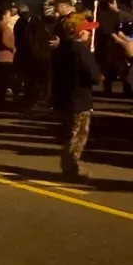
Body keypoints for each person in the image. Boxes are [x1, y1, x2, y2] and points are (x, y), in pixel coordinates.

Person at [52, 13, 102, 180]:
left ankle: (68, 166)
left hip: (63, 98)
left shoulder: (61, 49)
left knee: (68, 134)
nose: (89, 33)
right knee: (78, 136)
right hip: (80, 100)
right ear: (79, 32)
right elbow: (94, 76)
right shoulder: (81, 52)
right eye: (87, 30)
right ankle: (71, 168)